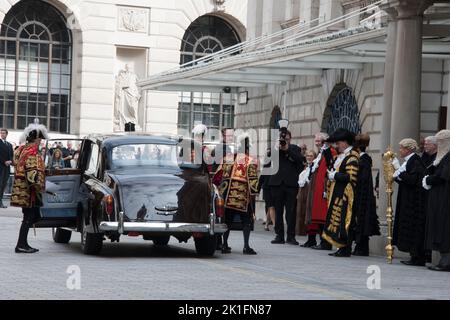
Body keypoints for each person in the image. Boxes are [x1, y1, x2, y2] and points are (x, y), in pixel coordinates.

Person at [213, 135, 259, 255]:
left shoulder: (228, 158)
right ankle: (246, 246)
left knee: (227, 221)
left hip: (228, 197)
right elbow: (253, 181)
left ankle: (224, 244)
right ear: (247, 148)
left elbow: (218, 176)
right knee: (246, 221)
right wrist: (254, 193)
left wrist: (219, 190)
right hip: (243, 198)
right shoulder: (250, 160)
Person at [11, 120, 49, 253]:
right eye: (40, 140)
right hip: (29, 191)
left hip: (21, 190)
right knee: (29, 217)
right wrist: (40, 187)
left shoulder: (21, 150)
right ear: (36, 140)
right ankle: (21, 245)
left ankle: (23, 243)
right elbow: (32, 174)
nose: (41, 142)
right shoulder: (32, 152)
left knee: (28, 217)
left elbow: (15, 163)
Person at [322, 128, 359, 257]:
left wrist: (335, 175)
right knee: (338, 221)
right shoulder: (342, 156)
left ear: (344, 142)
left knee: (344, 222)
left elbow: (351, 177)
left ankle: (345, 248)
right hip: (337, 193)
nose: (337, 146)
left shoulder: (352, 157)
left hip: (345, 195)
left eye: (338, 143)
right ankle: (340, 246)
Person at [392, 138, 427, 266]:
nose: (400, 151)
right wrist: (397, 176)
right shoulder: (409, 161)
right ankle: (414, 256)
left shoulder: (415, 161)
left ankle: (417, 257)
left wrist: (398, 169)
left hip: (414, 202)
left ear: (408, 149)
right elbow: (404, 179)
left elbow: (412, 180)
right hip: (407, 198)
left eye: (402, 148)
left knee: (414, 227)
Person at [269, 128, 305, 245]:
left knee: (291, 211)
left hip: (291, 184)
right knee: (278, 211)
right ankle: (279, 235)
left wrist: (287, 149)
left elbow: (300, 160)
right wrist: (276, 147)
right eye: (282, 138)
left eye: (286, 138)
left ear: (290, 138)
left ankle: (291, 236)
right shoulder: (274, 148)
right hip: (277, 184)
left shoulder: (295, 148)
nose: (284, 140)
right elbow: (268, 159)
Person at [303, 132, 337, 249]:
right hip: (317, 188)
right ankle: (320, 242)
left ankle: (325, 243)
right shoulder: (321, 153)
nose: (317, 143)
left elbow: (330, 167)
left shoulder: (330, 152)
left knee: (323, 216)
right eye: (316, 141)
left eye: (319, 141)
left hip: (324, 188)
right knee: (317, 216)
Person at [422, 130, 450, 271]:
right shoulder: (443, 157)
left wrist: (429, 179)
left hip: (445, 199)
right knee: (439, 228)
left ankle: (446, 262)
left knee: (444, 230)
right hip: (439, 198)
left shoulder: (448, 156)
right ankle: (443, 260)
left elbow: (443, 176)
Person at [351, 133, 380, 256]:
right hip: (360, 194)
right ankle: (360, 246)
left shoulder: (364, 160)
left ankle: (362, 247)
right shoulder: (362, 159)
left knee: (362, 220)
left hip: (362, 195)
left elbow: (362, 179)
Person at [296, 149, 316, 236]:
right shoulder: (306, 167)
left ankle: (311, 235)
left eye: (311, 156)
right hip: (302, 191)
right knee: (301, 212)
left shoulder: (314, 167)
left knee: (308, 213)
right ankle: (303, 232)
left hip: (309, 191)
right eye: (307, 156)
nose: (309, 158)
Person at [258, 147, 275, 232]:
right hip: (267, 188)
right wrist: (257, 189)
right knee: (271, 206)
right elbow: (262, 177)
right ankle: (275, 225)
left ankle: (267, 224)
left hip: (274, 188)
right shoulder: (267, 165)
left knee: (270, 207)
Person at [0, 128, 14, 208]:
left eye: (4, 133)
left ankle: (0, 201)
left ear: (6, 134)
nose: (2, 134)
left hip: (7, 168)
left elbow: (12, 155)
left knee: (3, 185)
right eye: (1, 133)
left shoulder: (9, 145)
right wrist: (4, 161)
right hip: (1, 167)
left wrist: (10, 161)